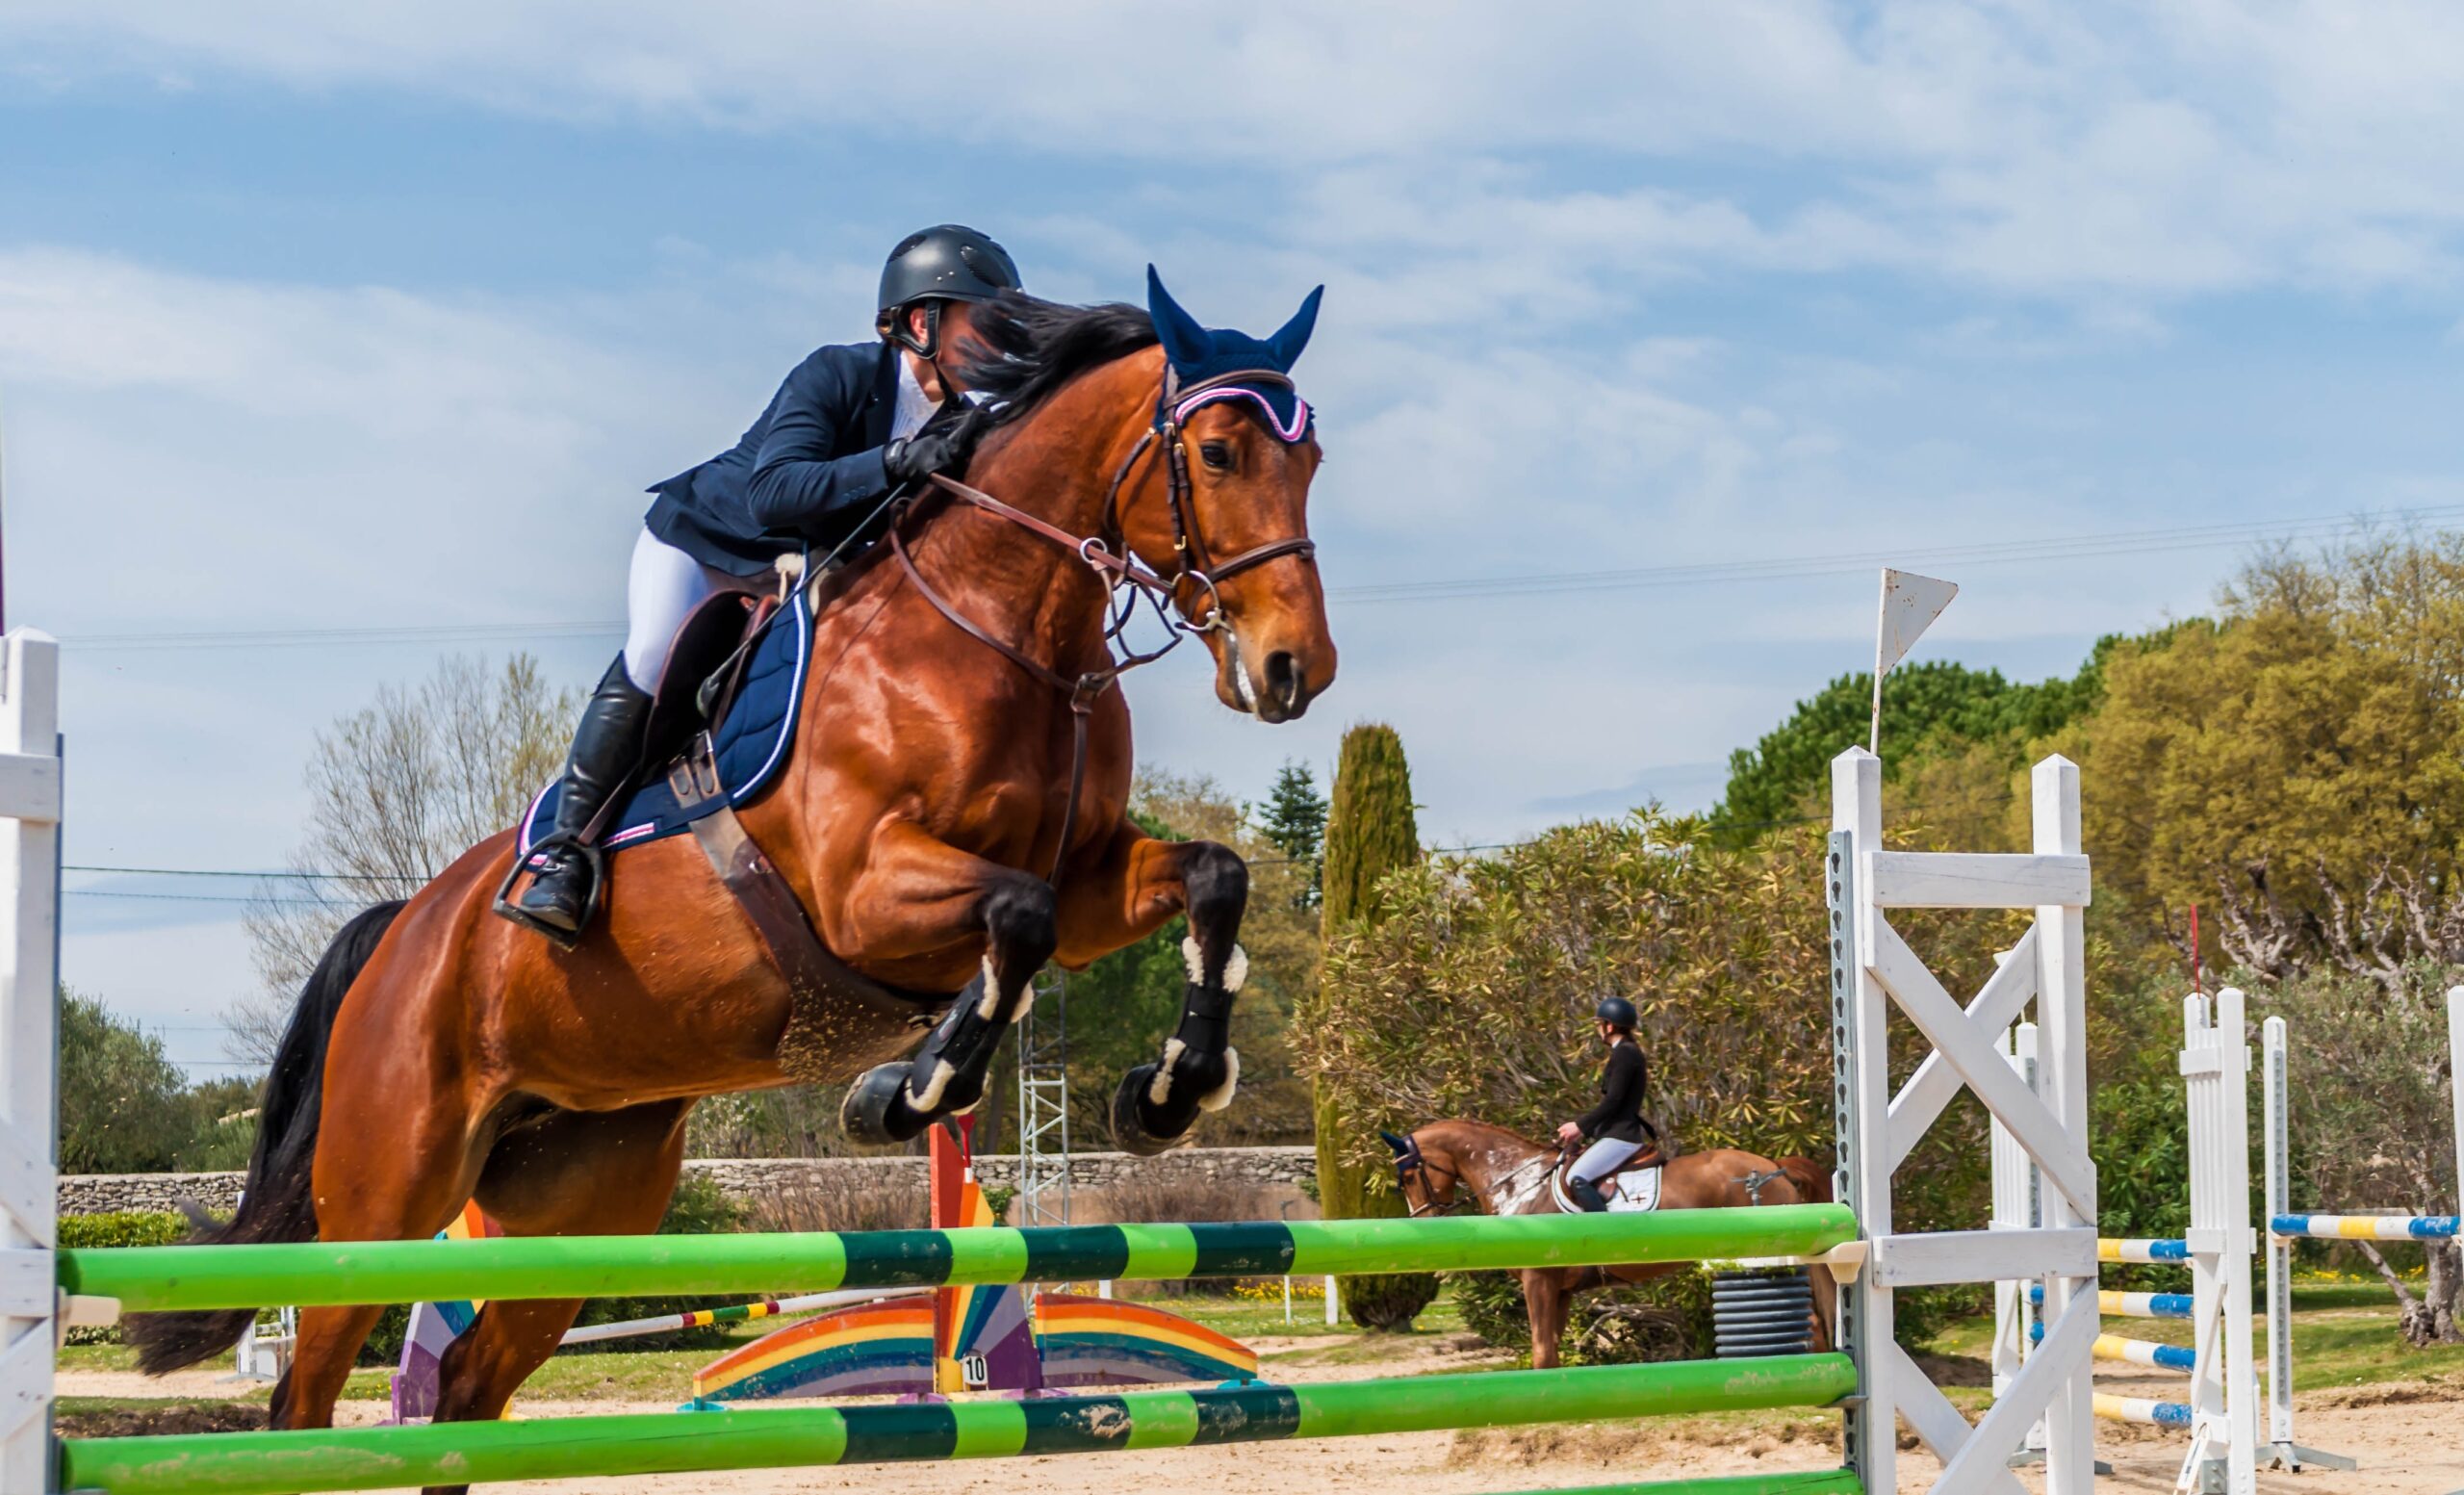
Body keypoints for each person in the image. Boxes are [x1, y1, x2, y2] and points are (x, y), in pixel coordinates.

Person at [502, 224, 1024, 940]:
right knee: (657, 656)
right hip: (707, 542)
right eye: (983, 326)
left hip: (800, 577)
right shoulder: (837, 374)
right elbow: (773, 493)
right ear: (918, 322)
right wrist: (897, 460)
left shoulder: (963, 423)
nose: (998, 347)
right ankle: (565, 853)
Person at [1555, 996, 1651, 1212]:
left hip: (1621, 1136)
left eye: (1600, 1024)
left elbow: (1614, 1100)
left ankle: (1606, 1234)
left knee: (1576, 1178)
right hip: (1615, 1133)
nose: (1599, 1029)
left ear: (1609, 1025)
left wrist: (1580, 1126)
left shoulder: (1625, 1053)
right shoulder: (1626, 1051)